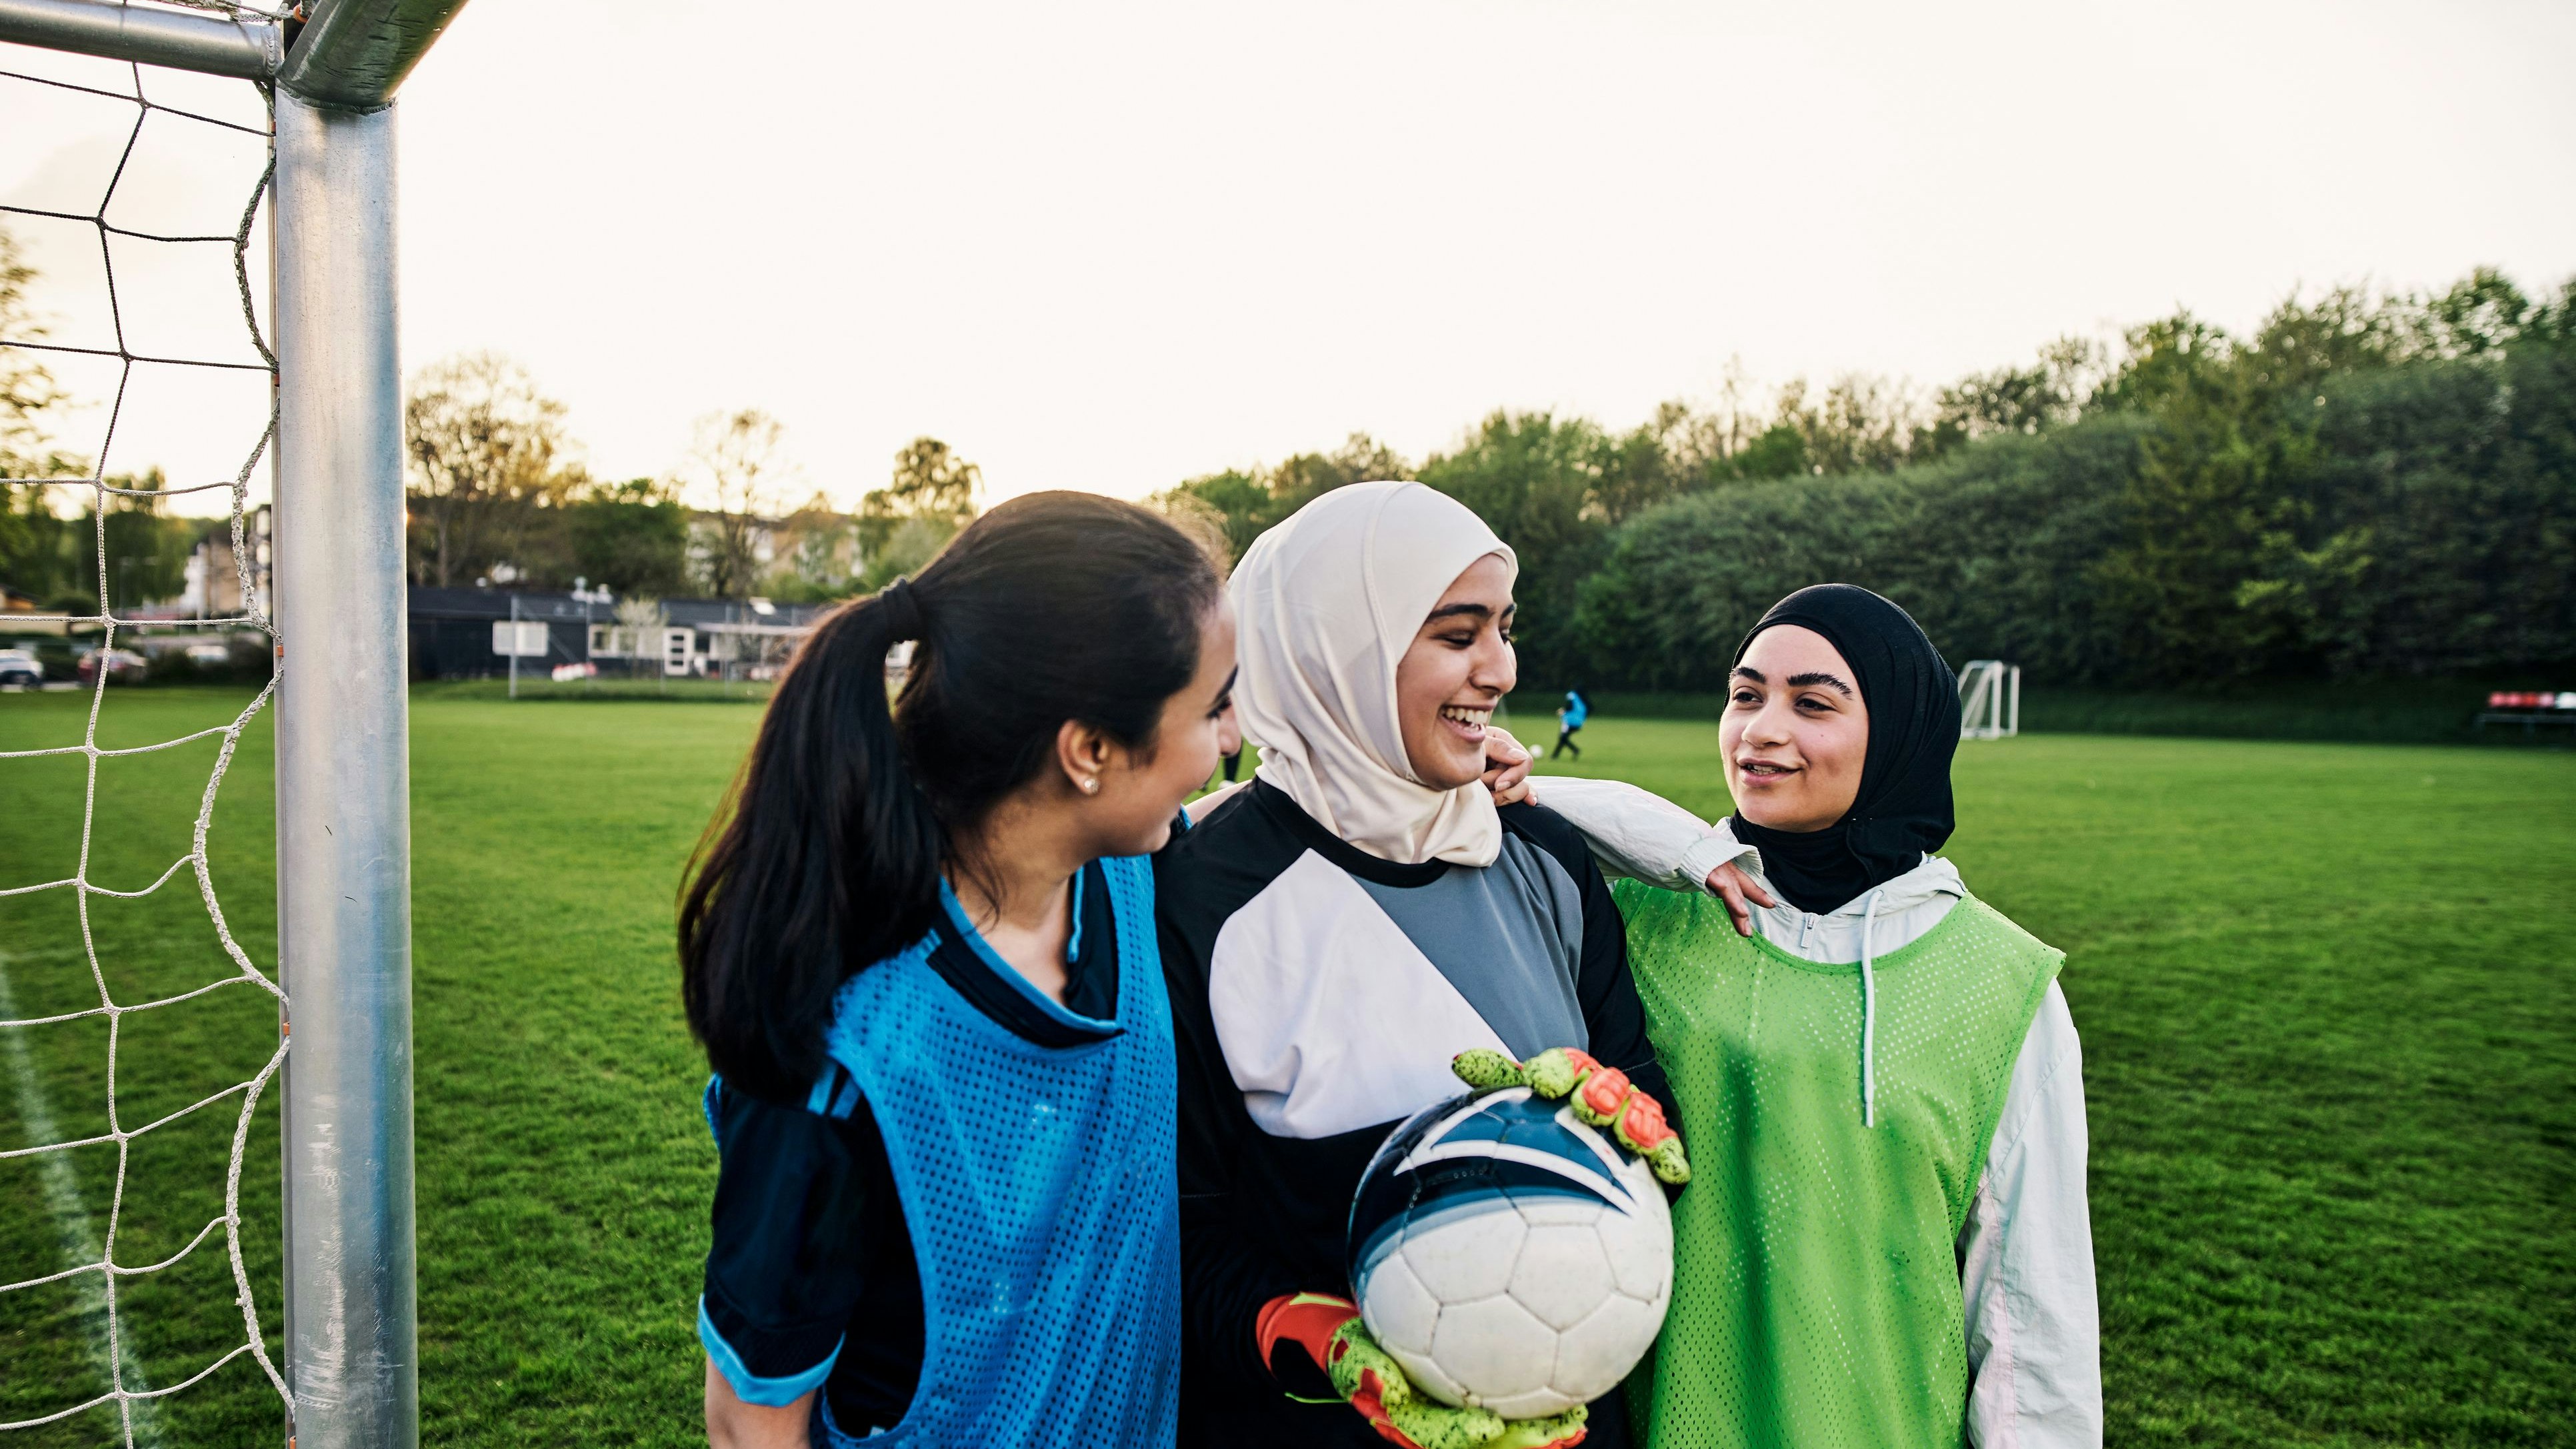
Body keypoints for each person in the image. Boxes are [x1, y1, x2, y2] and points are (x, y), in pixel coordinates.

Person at [678, 492, 1241, 1449]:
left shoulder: (1123, 872)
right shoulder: (847, 1053)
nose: (1231, 740)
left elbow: (1245, 814)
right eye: (1215, 706)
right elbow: (749, 1422)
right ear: (1091, 751)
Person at [1156, 481, 1696, 1449]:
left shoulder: (1545, 855)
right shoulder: (1200, 900)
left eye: (1505, 629)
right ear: (1339, 649)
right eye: (1458, 634)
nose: (1502, 669)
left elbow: (1648, 1111)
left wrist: (1634, 1128)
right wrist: (1296, 1331)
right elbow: (1171, 1230)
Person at [1603, 584, 2102, 1449]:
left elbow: (2031, 1316)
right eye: (1745, 694)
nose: (1760, 729)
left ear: (1900, 733)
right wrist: (1674, 848)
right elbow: (1475, 812)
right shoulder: (1632, 920)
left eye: (1812, 703)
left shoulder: (2003, 982)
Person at [1551, 687, 1588, 760]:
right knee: (1563, 738)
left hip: (1570, 722)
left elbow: (1570, 706)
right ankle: (1555, 756)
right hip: (1578, 723)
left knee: (1563, 737)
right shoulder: (1581, 700)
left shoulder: (1572, 695)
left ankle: (1575, 750)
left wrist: (1563, 711)